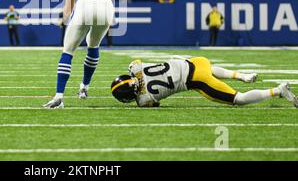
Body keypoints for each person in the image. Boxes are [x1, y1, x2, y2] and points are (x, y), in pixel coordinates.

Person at [43, 0, 158, 108]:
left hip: (84, 4)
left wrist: (66, 18)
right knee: (93, 45)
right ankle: (84, 87)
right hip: (105, 5)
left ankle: (58, 97)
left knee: (67, 52)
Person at [111, 57, 297, 108]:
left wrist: (136, 91)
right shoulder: (134, 68)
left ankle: (278, 91)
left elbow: (153, 103)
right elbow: (135, 63)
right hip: (195, 61)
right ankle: (242, 76)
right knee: (205, 67)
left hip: (196, 80)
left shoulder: (144, 100)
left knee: (238, 100)